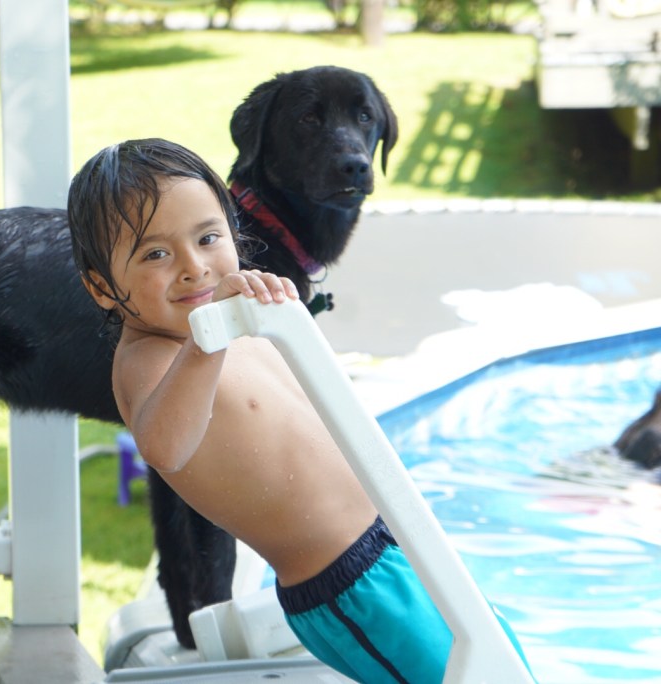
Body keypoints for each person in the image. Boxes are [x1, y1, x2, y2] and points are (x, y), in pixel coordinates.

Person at [67, 138, 533, 683]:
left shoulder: (232, 321)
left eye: (208, 238)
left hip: (397, 543)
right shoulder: (151, 358)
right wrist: (204, 342)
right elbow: (165, 447)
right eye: (155, 255)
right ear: (101, 287)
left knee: (501, 664)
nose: (194, 267)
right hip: (350, 582)